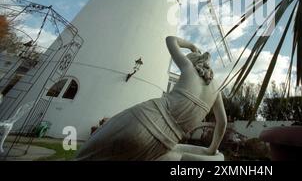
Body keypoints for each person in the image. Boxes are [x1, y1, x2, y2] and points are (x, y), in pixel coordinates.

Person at [75, 36, 227, 160]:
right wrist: (211, 149)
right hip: (164, 142)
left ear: (192, 62)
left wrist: (191, 46)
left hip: (144, 116)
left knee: (86, 155)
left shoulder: (188, 68)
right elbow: (222, 123)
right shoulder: (217, 91)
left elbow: (170, 39)